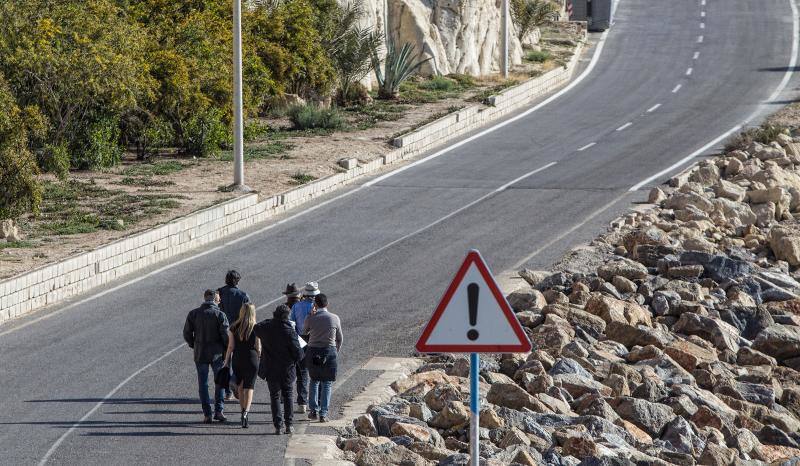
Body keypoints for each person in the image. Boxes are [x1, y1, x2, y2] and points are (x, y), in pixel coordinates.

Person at [183, 289, 229, 423]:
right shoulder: (220, 315)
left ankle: (207, 414)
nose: (220, 300)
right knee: (219, 381)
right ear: (215, 299)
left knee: (203, 384)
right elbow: (225, 335)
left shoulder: (194, 314)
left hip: (200, 352)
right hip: (217, 353)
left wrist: (194, 344)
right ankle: (219, 411)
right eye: (219, 298)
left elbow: (187, 333)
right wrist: (226, 349)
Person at [255, 304, 302, 435]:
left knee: (274, 396)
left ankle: (278, 425)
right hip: (287, 369)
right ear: (286, 317)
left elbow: (256, 327)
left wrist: (271, 320)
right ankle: (289, 424)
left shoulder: (266, 327)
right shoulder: (289, 331)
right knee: (288, 396)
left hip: (270, 368)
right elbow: (299, 354)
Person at [303, 293, 342, 423]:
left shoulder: (311, 318)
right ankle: (324, 413)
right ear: (327, 304)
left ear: (315, 305)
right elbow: (339, 338)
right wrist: (335, 351)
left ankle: (313, 410)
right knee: (327, 383)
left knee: (314, 381)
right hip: (329, 351)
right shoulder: (334, 318)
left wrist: (310, 315)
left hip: (313, 350)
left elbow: (304, 331)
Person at [223, 303, 261, 428]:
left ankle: (241, 410)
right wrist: (259, 356)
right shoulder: (255, 327)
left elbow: (231, 346)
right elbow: (258, 346)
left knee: (240, 385)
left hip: (238, 358)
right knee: (249, 387)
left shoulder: (234, 327)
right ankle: (246, 412)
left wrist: (226, 361)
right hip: (252, 359)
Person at [218, 270, 250, 400]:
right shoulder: (243, 295)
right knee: (238, 360)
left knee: (225, 361)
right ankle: (235, 382)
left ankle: (227, 391)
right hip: (238, 331)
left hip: (223, 331)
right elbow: (248, 315)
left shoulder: (220, 292)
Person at [289, 282, 319, 414]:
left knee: (302, 371)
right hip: (315, 339)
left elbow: (292, 324)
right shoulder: (317, 307)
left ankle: (302, 402)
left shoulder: (296, 306)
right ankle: (316, 402)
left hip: (300, 338)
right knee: (316, 372)